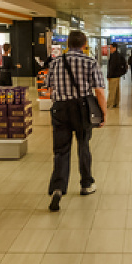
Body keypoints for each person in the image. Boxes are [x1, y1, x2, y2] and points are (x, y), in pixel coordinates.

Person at [48, 29, 106, 211]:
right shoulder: (90, 62)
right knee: (83, 145)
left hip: (60, 108)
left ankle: (58, 188)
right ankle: (86, 184)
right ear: (84, 44)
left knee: (61, 150)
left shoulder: (55, 62)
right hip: (81, 108)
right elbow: (99, 91)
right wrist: (103, 113)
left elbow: (49, 89)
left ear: (67, 44)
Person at [106, 42, 128, 108]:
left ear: (114, 48)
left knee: (112, 90)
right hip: (118, 75)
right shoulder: (119, 55)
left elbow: (112, 67)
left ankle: (110, 104)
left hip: (113, 75)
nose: (110, 49)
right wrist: (122, 72)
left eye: (111, 48)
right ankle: (116, 103)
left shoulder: (113, 56)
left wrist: (109, 75)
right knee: (117, 90)